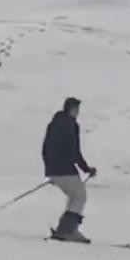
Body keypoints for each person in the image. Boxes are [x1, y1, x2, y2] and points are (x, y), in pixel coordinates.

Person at [43, 97, 96, 242]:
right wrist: (86, 169)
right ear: (71, 109)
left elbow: (45, 148)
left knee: (74, 196)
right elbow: (73, 150)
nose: (78, 112)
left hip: (54, 169)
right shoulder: (71, 125)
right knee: (80, 196)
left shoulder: (53, 124)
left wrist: (50, 171)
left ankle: (65, 229)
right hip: (65, 169)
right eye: (76, 109)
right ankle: (68, 231)